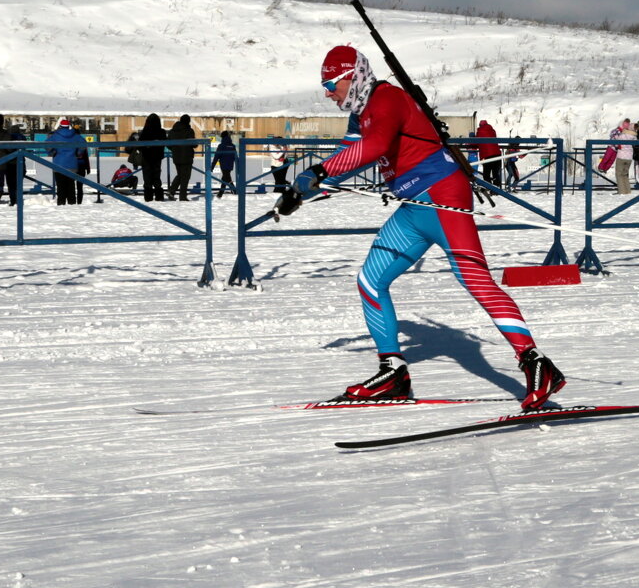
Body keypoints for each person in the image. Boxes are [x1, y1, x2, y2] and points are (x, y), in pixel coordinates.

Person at [276, 45, 564, 410]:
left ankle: (537, 364)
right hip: (413, 207)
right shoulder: (360, 114)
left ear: (355, 75)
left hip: (443, 193)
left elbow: (376, 145)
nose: (327, 91)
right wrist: (298, 193)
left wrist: (316, 173)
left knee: (474, 279)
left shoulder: (387, 98)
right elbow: (350, 155)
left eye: (332, 82)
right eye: (324, 84)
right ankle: (393, 372)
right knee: (370, 280)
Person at [45, 118, 86, 206]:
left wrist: (52, 152)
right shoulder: (75, 135)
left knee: (60, 187)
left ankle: (61, 204)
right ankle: (72, 205)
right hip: (72, 164)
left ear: (60, 126)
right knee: (71, 187)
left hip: (58, 164)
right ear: (69, 126)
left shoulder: (55, 135)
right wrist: (78, 153)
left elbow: (46, 144)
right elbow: (84, 143)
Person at [137, 113, 167, 202]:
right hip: (157, 157)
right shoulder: (161, 131)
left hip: (146, 157)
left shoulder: (145, 131)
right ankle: (159, 196)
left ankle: (148, 197)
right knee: (157, 175)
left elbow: (140, 145)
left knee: (147, 176)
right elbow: (164, 143)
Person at [167, 114, 196, 201]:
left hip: (176, 157)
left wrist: (175, 150)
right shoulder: (189, 130)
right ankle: (182, 196)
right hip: (187, 157)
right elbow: (194, 144)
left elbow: (168, 144)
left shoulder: (172, 131)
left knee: (180, 175)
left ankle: (171, 191)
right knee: (185, 177)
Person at [610, 118, 636, 195]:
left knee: (619, 174)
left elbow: (614, 139)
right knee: (625, 174)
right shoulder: (634, 137)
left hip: (621, 156)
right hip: (629, 157)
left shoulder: (622, 135)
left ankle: (621, 191)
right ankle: (628, 191)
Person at [474, 120, 503, 188]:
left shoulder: (480, 131)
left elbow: (475, 142)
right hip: (497, 154)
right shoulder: (492, 131)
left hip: (487, 155)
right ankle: (497, 190)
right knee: (496, 174)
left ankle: (490, 188)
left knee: (486, 175)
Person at [211, 131, 238, 197]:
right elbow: (235, 156)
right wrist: (238, 165)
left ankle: (233, 190)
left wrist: (212, 166)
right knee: (225, 177)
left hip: (223, 164)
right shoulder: (232, 146)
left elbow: (216, 157)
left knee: (226, 177)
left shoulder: (221, 146)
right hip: (230, 164)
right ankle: (221, 193)